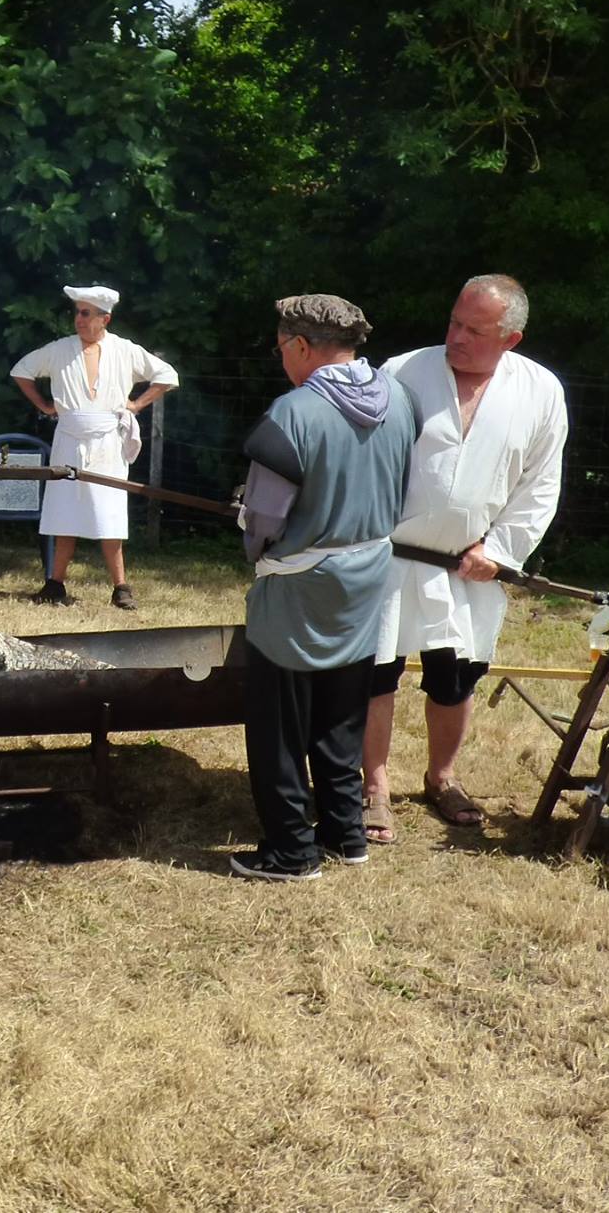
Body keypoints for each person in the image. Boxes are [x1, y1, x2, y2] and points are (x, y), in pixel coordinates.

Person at [362, 274, 568, 842]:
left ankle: (442, 777)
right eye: (454, 321)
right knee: (375, 676)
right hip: (391, 555)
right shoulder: (401, 372)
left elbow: (540, 483)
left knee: (456, 679)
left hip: (471, 565)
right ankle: (374, 787)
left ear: (511, 338)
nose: (456, 336)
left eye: (475, 330)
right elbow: (364, 458)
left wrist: (501, 551)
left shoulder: (540, 392)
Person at [230, 294, 420, 881]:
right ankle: (345, 833)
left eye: (282, 347)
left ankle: (291, 851)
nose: (280, 358)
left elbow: (263, 520)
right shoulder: (400, 401)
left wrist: (249, 534)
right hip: (368, 579)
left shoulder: (294, 412)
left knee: (280, 725)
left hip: (297, 588)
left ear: (304, 347)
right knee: (342, 714)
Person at [10, 284, 179, 610]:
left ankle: (121, 588)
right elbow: (22, 371)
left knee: (109, 511)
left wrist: (137, 404)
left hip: (107, 442)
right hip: (70, 438)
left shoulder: (124, 350)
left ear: (105, 318)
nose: (79, 319)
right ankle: (55, 584)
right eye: (77, 312)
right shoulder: (60, 350)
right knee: (64, 510)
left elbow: (166, 376)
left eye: (86, 313)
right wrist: (45, 406)